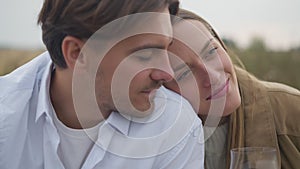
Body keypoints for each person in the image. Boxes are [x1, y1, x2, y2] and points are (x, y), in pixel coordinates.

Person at [0, 1, 205, 169]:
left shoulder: (177, 128)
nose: (167, 73)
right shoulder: (5, 115)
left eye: (166, 49)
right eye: (145, 54)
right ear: (76, 53)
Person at [164, 9, 300, 169]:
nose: (213, 77)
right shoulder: (150, 144)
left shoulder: (292, 111)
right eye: (185, 73)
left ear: (223, 45)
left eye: (211, 51)